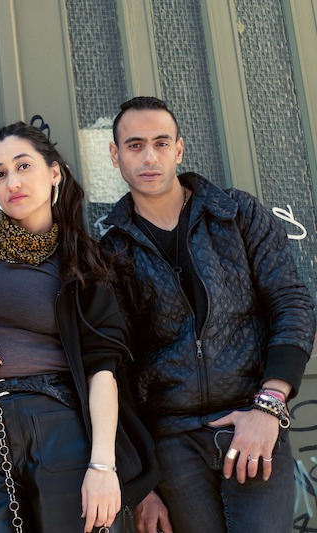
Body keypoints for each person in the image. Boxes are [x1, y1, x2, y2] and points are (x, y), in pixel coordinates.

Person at [0, 122, 159, 532]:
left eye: (23, 166)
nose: (12, 182)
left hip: (55, 421)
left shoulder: (83, 260)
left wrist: (103, 466)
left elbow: (103, 368)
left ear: (54, 173)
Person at [100, 96, 316, 533]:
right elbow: (114, 367)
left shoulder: (236, 214)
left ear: (179, 149)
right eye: (135, 145)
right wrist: (142, 485)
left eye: (161, 143)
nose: (149, 157)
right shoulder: (111, 250)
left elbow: (291, 302)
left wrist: (270, 406)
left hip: (252, 420)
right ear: (115, 155)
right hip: (171, 443)